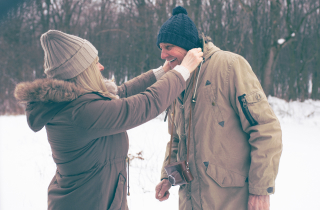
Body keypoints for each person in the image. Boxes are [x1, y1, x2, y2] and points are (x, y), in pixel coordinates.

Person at [14, 30, 203, 210]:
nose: (101, 66)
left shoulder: (73, 103)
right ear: (81, 72)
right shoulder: (81, 113)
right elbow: (145, 104)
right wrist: (182, 71)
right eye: (95, 63)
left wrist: (162, 72)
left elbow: (120, 93)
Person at [155, 6, 282, 210]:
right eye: (160, 48)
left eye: (168, 46)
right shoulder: (178, 78)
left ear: (186, 45)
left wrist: (260, 190)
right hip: (190, 202)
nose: (163, 54)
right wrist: (168, 177)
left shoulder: (230, 66)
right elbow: (176, 138)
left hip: (229, 200)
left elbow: (265, 129)